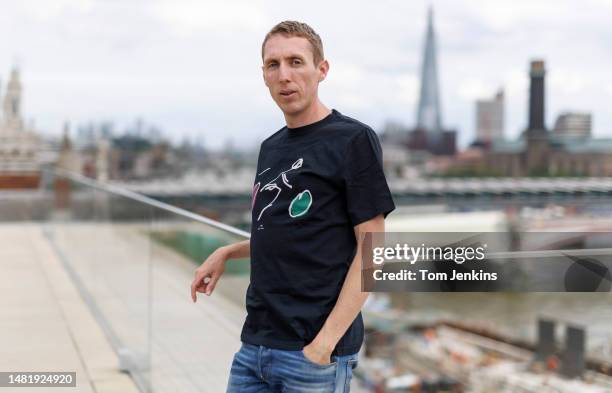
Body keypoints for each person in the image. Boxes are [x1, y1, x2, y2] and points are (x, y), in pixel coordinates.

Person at [191, 20, 395, 392]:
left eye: (296, 62)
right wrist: (228, 251)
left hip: (313, 355)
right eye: (273, 65)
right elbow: (290, 234)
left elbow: (373, 251)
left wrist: (324, 344)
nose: (284, 75)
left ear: (322, 70)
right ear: (264, 75)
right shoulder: (271, 148)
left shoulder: (353, 140)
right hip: (255, 347)